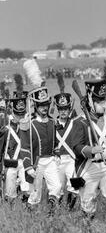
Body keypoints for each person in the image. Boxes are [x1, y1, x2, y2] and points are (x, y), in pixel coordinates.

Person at [71, 79, 106, 219]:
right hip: (89, 166)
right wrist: (91, 150)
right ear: (90, 102)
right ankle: (87, 231)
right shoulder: (79, 122)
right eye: (99, 102)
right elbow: (76, 147)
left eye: (104, 101)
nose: (103, 104)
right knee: (88, 206)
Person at [21, 86, 63, 214]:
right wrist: (28, 167)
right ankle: (30, 216)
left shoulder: (52, 122)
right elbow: (25, 147)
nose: (44, 108)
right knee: (35, 193)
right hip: (36, 162)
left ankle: (51, 212)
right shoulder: (29, 123)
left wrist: (57, 154)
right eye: (41, 105)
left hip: (50, 160)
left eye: (46, 105)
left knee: (57, 187)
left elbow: (55, 142)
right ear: (35, 106)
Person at [54, 91, 79, 210]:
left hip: (71, 160)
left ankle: (69, 210)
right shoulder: (52, 125)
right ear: (58, 110)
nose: (63, 111)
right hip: (57, 160)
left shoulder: (75, 124)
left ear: (69, 109)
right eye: (60, 109)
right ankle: (56, 211)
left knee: (74, 186)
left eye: (65, 108)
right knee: (57, 188)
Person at [3, 95, 30, 203]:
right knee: (10, 191)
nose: (20, 117)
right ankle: (10, 209)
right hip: (11, 162)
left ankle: (27, 207)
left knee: (27, 189)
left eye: (22, 115)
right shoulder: (6, 127)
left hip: (25, 161)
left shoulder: (29, 126)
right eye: (18, 115)